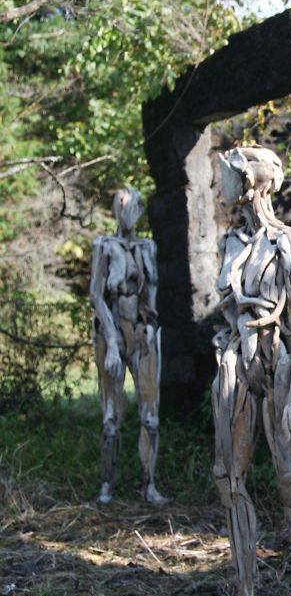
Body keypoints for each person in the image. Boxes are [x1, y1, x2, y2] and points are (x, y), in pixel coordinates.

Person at [193, 145, 291, 596]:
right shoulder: (232, 242)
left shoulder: (287, 241)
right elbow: (229, 310)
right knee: (229, 477)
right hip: (235, 362)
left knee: (289, 482)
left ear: (250, 180)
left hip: (278, 363)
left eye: (229, 174)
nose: (222, 185)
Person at [90, 186, 163, 504]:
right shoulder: (104, 245)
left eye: (131, 204)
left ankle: (149, 484)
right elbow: (96, 294)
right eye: (120, 204)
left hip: (143, 334)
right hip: (112, 334)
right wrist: (111, 341)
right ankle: (107, 484)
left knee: (151, 416)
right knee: (110, 416)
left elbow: (152, 293)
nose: (126, 210)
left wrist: (150, 330)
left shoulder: (148, 247)